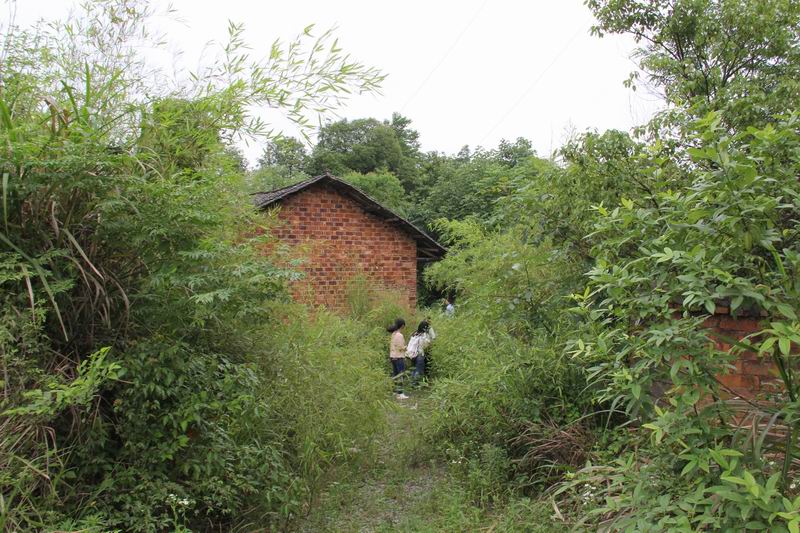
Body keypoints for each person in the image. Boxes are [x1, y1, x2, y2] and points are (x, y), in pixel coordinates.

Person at [407, 319, 435, 386]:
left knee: (413, 369)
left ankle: (411, 383)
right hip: (419, 355)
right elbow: (425, 345)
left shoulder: (414, 333)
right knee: (418, 370)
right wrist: (429, 341)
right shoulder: (424, 335)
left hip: (412, 354)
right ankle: (414, 384)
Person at [387, 318, 409, 400]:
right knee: (400, 375)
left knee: (395, 375)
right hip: (399, 357)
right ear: (402, 326)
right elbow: (401, 348)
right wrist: (407, 347)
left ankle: (395, 392)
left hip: (393, 357)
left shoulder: (393, 334)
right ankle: (400, 393)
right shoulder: (399, 335)